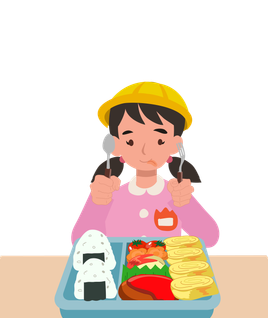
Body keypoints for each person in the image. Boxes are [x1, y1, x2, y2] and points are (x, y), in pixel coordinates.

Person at [70, 80, 221, 250]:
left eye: (159, 140)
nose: (144, 151)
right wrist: (96, 204)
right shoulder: (110, 194)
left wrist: (185, 205)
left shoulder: (176, 194)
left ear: (176, 144)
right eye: (131, 140)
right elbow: (79, 243)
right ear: (115, 144)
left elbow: (210, 239)